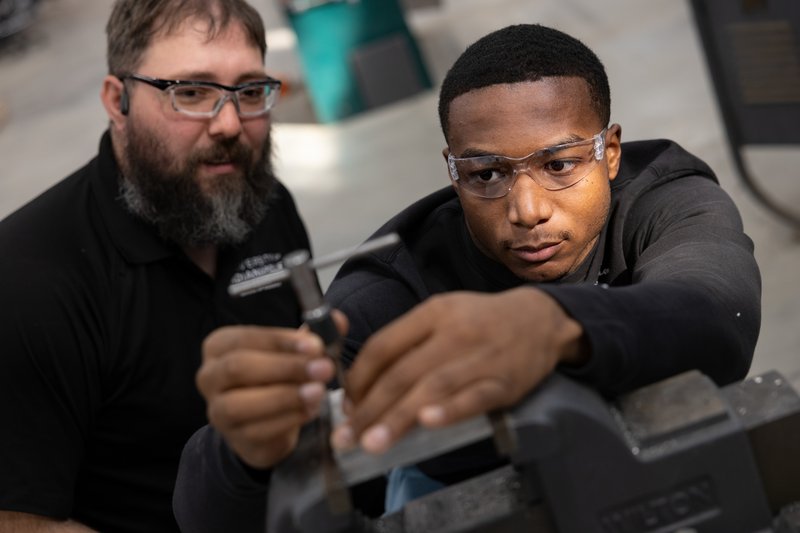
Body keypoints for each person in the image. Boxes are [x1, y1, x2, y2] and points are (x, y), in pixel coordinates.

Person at [172, 23, 761, 530]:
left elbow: (715, 312)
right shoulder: (394, 288)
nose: (526, 209)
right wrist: (242, 453)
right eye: (486, 175)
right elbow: (209, 513)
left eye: (558, 164)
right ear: (453, 173)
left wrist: (550, 324)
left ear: (609, 152)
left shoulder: (665, 198)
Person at [0, 1, 337, 531]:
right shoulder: (28, 281)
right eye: (192, 92)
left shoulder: (265, 206)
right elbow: (22, 522)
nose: (229, 124)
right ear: (118, 101)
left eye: (249, 92)